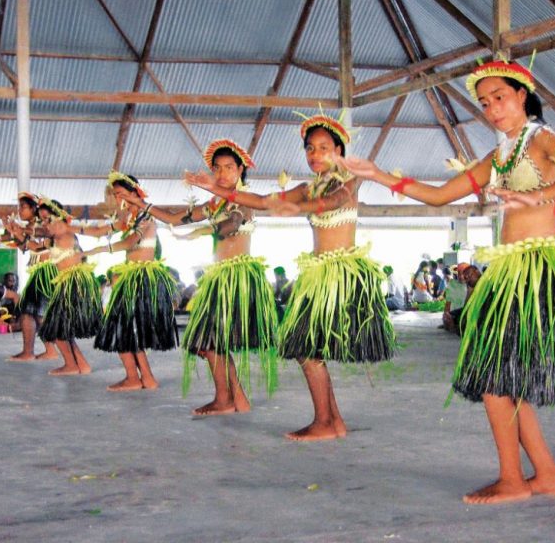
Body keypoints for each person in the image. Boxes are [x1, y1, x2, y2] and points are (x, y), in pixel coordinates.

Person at [339, 60, 555, 504]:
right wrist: (378, 175)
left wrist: (537, 195)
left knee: (496, 382)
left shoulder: (542, 139)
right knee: (505, 380)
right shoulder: (500, 155)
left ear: (522, 95)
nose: (492, 108)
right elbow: (440, 195)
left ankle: (514, 481)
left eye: (500, 98)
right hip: (510, 272)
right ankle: (548, 475)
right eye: (484, 103)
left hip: (537, 273)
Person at [187, 117, 396, 439]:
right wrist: (213, 188)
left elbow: (335, 201)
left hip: (340, 275)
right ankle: (332, 421)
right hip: (318, 273)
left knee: (306, 349)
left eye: (324, 147)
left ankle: (326, 422)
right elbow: (260, 202)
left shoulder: (350, 178)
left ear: (339, 150)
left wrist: (300, 208)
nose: (315, 153)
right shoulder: (306, 187)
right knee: (307, 349)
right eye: (310, 148)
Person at [139, 139, 279, 414]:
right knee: (211, 342)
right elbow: (175, 219)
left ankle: (226, 400)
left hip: (236, 279)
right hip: (218, 279)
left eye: (229, 167)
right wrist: (141, 204)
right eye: (218, 168)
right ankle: (236, 400)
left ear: (241, 170)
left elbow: (231, 225)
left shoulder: (244, 201)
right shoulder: (213, 203)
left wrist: (205, 231)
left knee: (209, 342)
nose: (223, 173)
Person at [79, 173, 177, 391]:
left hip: (141, 279)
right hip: (128, 277)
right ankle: (139, 377)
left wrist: (99, 249)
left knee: (125, 327)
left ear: (135, 193)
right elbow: (98, 231)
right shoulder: (127, 219)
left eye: (121, 193)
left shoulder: (145, 216)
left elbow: (131, 241)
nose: (118, 198)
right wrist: (72, 228)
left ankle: (142, 377)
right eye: (115, 194)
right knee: (124, 327)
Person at [37, 200, 101, 376]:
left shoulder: (67, 232)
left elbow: (96, 231)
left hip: (74, 284)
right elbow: (34, 244)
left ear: (58, 216)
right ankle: (81, 365)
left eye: (46, 219)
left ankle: (72, 366)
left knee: (56, 328)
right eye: (41, 220)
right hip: (66, 284)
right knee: (61, 329)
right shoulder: (54, 238)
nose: (44, 224)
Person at [2, 193, 60, 361]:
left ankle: (41, 351)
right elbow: (24, 247)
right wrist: (13, 231)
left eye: (23, 207)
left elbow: (39, 246)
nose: (19, 210)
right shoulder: (32, 226)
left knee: (34, 313)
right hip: (38, 272)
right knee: (31, 313)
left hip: (47, 272)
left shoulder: (44, 225)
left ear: (34, 208)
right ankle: (43, 350)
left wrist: (18, 230)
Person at [442, 263, 468, 332]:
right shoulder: (452, 284)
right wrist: (445, 316)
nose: (460, 276)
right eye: (459, 273)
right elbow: (448, 303)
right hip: (454, 315)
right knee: (448, 317)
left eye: (462, 273)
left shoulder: (473, 285)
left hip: (466, 314)